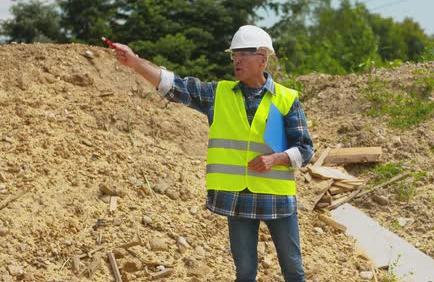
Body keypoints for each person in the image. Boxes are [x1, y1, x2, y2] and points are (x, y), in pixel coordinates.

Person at [113, 25, 314, 282]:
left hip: (276, 199)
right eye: (234, 55)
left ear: (262, 58)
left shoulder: (286, 99)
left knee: (294, 271)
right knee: (244, 273)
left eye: (243, 54)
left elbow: (305, 149)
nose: (236, 60)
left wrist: (276, 158)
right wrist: (135, 63)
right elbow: (175, 86)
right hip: (237, 198)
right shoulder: (219, 94)